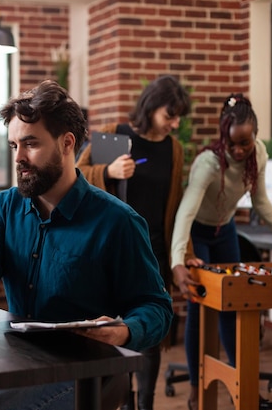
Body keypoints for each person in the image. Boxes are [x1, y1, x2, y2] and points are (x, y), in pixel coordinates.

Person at [0, 80, 173, 410]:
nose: (19, 158)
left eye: (30, 144)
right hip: (17, 356)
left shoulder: (118, 222)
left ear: (67, 143)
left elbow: (156, 307)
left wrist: (125, 331)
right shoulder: (5, 206)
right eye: (14, 146)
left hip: (88, 368)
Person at [76, 74, 194, 410]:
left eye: (177, 116)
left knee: (150, 333)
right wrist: (109, 172)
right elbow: (74, 176)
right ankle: (122, 401)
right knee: (115, 329)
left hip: (153, 249)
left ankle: (145, 404)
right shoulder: (118, 134)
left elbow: (175, 205)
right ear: (151, 107)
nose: (175, 123)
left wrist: (181, 254)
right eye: (169, 115)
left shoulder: (174, 149)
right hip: (112, 249)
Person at [169, 94, 272, 410]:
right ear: (223, 136)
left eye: (245, 144)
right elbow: (185, 211)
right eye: (232, 144)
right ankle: (197, 390)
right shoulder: (209, 163)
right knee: (200, 307)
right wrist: (178, 260)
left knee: (234, 305)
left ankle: (246, 387)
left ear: (254, 136)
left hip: (225, 232)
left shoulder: (259, 155)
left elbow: (261, 201)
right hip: (198, 231)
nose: (238, 151)